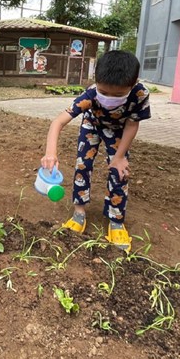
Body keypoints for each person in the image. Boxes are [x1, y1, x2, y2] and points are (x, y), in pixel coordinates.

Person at [41, 50, 151, 253]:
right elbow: (58, 121)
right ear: (96, 81)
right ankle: (79, 213)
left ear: (133, 83)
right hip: (92, 125)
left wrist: (119, 157)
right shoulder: (90, 94)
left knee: (120, 171)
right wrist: (51, 152)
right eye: (104, 92)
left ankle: (116, 221)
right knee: (82, 165)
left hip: (119, 130)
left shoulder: (140, 94)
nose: (109, 98)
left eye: (118, 95)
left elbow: (132, 125)